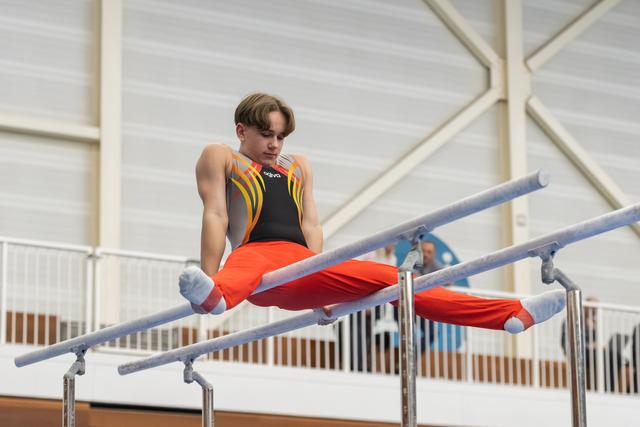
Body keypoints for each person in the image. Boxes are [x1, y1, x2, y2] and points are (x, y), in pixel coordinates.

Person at [178, 92, 566, 340]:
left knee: (400, 282)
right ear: (241, 130)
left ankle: (510, 315)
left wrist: (322, 290)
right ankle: (214, 295)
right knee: (234, 274)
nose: (274, 144)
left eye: (280, 136)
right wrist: (210, 275)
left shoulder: (298, 166)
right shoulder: (222, 156)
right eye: (265, 135)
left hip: (301, 265)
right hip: (254, 256)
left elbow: (311, 224)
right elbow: (216, 214)